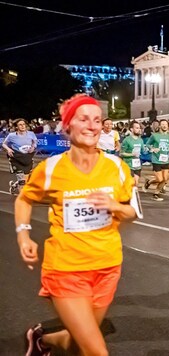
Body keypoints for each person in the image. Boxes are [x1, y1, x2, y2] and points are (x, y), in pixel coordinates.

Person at [16, 94, 140, 356]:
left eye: (97, 120)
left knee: (78, 343)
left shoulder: (117, 167)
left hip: (107, 267)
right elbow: (24, 200)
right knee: (96, 351)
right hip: (66, 269)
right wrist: (23, 235)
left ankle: (42, 341)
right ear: (67, 126)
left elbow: (131, 212)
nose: (92, 126)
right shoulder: (50, 169)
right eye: (83, 119)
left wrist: (115, 207)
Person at [2, 118, 37, 194]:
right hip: (16, 158)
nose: (23, 126)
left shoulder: (31, 134)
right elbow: (4, 144)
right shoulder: (11, 136)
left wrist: (33, 147)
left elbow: (35, 141)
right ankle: (22, 199)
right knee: (22, 181)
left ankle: (14, 185)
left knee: (26, 180)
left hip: (27, 158)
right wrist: (8, 149)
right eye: (20, 125)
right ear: (16, 127)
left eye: (24, 124)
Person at [143, 119, 169, 201]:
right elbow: (147, 144)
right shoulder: (155, 135)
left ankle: (156, 194)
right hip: (156, 159)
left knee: (165, 179)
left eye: (166, 124)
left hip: (165, 160)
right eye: (163, 124)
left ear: (167, 126)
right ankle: (148, 182)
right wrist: (153, 148)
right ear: (160, 126)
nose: (164, 126)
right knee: (159, 179)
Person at [120, 120, 145, 186]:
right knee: (132, 183)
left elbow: (143, 151)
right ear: (131, 129)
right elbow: (121, 153)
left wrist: (151, 149)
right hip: (128, 165)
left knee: (136, 183)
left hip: (137, 165)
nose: (139, 129)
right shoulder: (127, 140)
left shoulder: (140, 140)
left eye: (139, 128)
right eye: (136, 128)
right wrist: (132, 154)